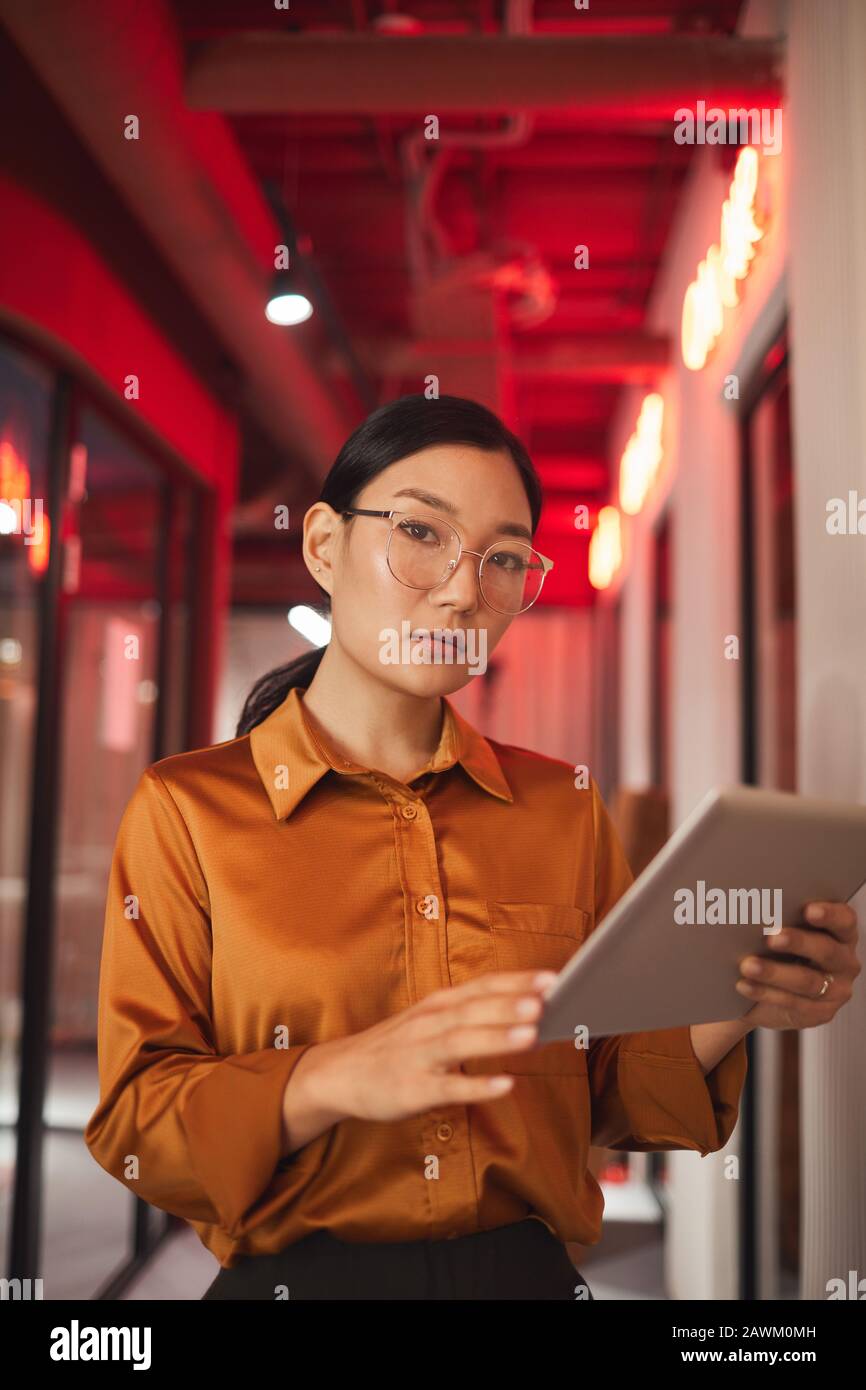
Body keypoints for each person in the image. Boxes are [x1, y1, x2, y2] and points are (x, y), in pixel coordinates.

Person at [84, 393, 861, 1301]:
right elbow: (137, 1126)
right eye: (421, 533)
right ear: (324, 545)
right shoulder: (189, 810)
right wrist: (331, 1077)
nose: (462, 590)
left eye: (502, 558)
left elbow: (604, 1086)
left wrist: (744, 996)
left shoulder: (559, 808)